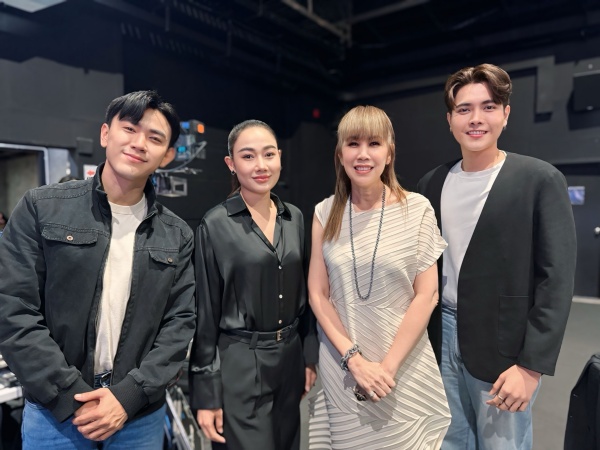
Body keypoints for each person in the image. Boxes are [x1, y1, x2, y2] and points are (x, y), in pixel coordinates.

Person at [0, 90, 196, 449]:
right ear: (106, 134)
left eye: (155, 138)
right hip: (55, 415)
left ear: (167, 155)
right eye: (130, 129)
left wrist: (128, 396)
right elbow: (13, 308)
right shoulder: (42, 208)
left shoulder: (177, 234)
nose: (139, 143)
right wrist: (70, 396)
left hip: (137, 417)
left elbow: (179, 323)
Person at [417, 63, 577, 450]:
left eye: (488, 107)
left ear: (505, 114)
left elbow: (555, 280)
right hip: (439, 337)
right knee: (448, 442)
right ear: (450, 120)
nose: (476, 119)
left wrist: (531, 366)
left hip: (506, 346)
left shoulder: (539, 180)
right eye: (464, 109)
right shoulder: (431, 184)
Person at [308, 105, 451, 449]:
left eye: (374, 143)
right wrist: (354, 361)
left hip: (402, 366)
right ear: (340, 154)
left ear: (389, 154)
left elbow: (427, 295)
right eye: (353, 143)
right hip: (343, 367)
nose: (363, 154)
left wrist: (387, 368)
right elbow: (318, 294)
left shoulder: (417, 209)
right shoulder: (325, 212)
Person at [189, 119, 318, 450]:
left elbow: (306, 292)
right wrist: (206, 393)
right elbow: (205, 315)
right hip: (240, 362)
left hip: (290, 358)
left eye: (268, 154)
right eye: (248, 156)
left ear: (280, 158)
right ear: (231, 163)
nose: (261, 165)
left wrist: (307, 355)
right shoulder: (215, 224)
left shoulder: (295, 217)